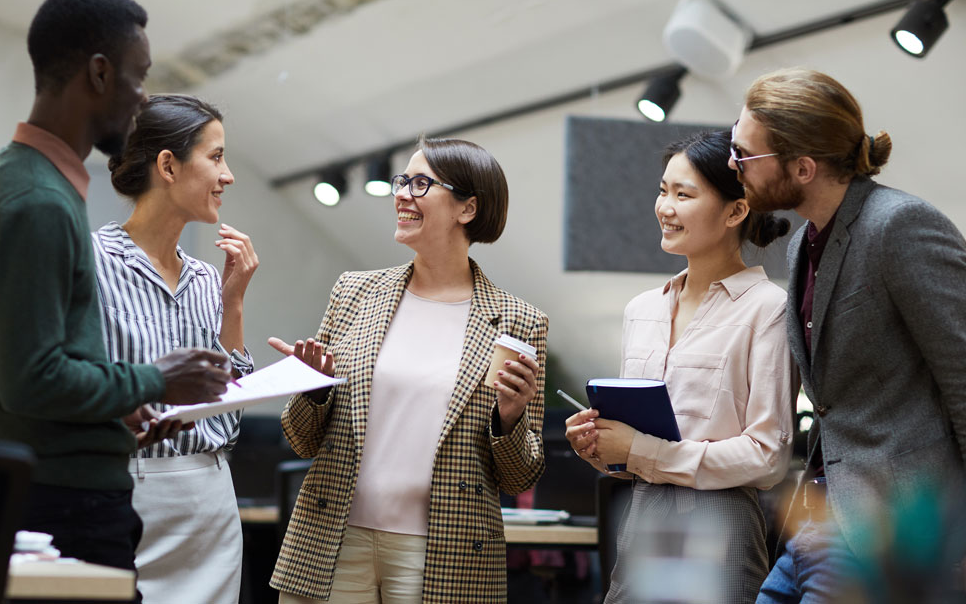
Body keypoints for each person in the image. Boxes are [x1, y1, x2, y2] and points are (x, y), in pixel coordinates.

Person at [0, 0, 231, 588]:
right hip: (62, 504)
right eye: (138, 77)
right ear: (99, 74)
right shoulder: (40, 201)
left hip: (35, 491)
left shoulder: (8, 177)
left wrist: (114, 406)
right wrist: (155, 379)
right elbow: (33, 376)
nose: (141, 99)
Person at [268, 137, 548, 604]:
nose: (401, 193)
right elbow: (300, 439)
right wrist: (312, 389)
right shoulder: (355, 293)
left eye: (421, 183)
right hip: (332, 539)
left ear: (467, 208)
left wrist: (510, 419)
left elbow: (520, 476)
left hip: (446, 553)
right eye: (403, 180)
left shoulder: (519, 320)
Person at [727, 68, 966, 603]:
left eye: (744, 154)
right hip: (820, 518)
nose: (731, 163)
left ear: (803, 167)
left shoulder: (899, 226)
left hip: (897, 529)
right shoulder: (800, 246)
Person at [566, 130, 798, 603]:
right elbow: (633, 452)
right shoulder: (641, 309)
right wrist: (600, 445)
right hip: (641, 517)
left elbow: (768, 455)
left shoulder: (769, 308)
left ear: (736, 210)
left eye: (683, 194)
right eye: (663, 190)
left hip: (723, 523)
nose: (664, 207)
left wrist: (641, 450)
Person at [92, 94, 258, 604]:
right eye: (216, 156)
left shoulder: (209, 278)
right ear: (168, 165)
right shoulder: (90, 262)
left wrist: (232, 306)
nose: (227, 175)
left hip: (211, 502)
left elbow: (225, 423)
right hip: (128, 494)